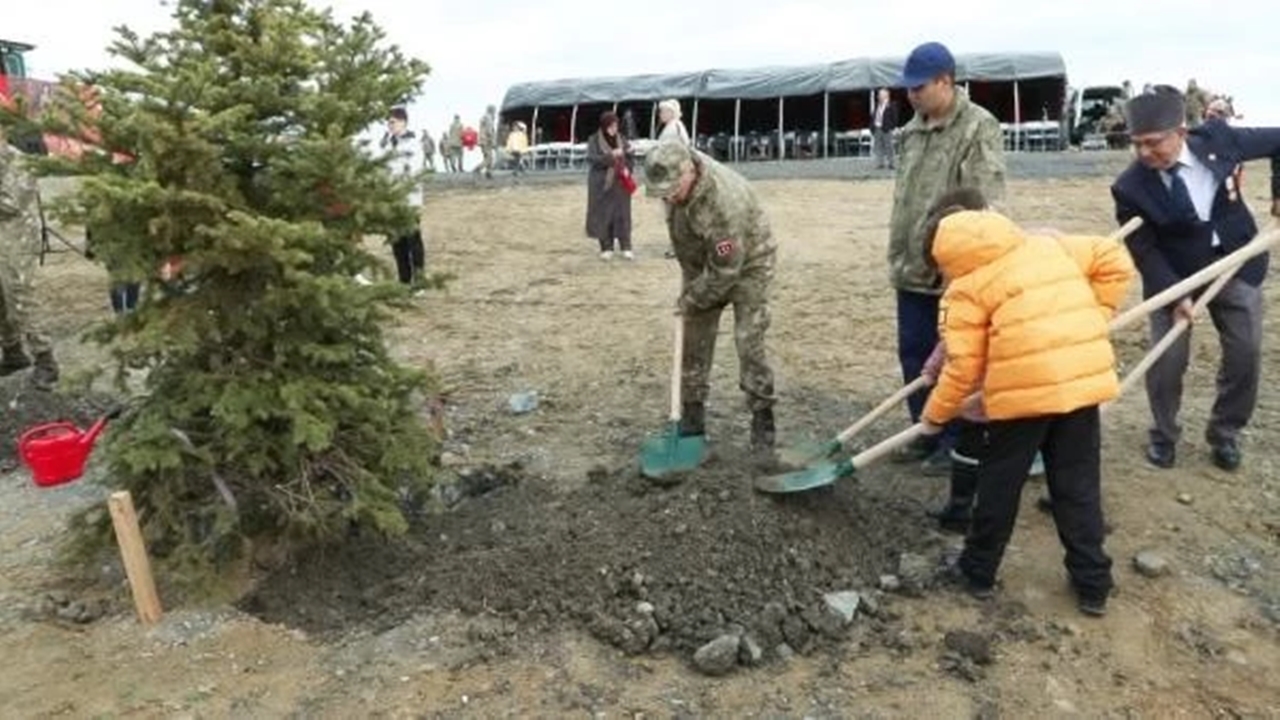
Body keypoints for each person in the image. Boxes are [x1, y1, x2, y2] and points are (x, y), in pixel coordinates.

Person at [923, 208, 1135, 617]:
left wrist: (936, 416)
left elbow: (963, 366)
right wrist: (1094, 315)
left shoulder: (966, 288)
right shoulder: (1048, 247)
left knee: (1000, 484)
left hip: (1021, 397)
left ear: (949, 258)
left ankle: (977, 570)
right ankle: (1093, 583)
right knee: (1077, 486)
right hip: (1080, 384)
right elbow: (1114, 260)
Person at [1111, 86, 1280, 471]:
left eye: (1153, 143)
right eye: (1136, 144)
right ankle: (1163, 435)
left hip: (1235, 262)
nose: (1144, 153)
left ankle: (1225, 433)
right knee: (1167, 361)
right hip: (1174, 275)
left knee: (1245, 353)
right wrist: (1175, 295)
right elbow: (1145, 250)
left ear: (1181, 133)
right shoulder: (1130, 187)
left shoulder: (1220, 138)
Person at [886, 41, 1007, 476]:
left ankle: (952, 440)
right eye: (908, 89)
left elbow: (984, 203)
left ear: (945, 81)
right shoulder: (911, 130)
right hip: (909, 267)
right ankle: (924, 432)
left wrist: (960, 263)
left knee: (956, 358)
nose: (911, 96)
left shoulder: (978, 127)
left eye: (919, 87)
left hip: (952, 273)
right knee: (914, 354)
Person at [643, 141, 777, 449]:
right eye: (662, 192)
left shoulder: (723, 202)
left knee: (749, 339)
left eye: (673, 189)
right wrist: (691, 293)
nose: (669, 197)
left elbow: (726, 269)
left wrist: (691, 299)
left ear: (689, 171)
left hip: (748, 265)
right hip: (703, 265)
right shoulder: (675, 187)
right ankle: (691, 417)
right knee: (694, 339)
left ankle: (763, 418)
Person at [0, 135, 59, 389]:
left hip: (17, 241)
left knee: (21, 298)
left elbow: (11, 203)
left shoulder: (17, 159)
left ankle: (46, 360)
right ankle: (13, 353)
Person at [380, 106, 426, 286]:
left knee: (413, 241)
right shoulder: (386, 143)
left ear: (403, 122)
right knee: (397, 243)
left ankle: (419, 281)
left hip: (408, 200)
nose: (390, 126)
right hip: (391, 199)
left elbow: (413, 172)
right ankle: (404, 280)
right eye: (388, 122)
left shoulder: (413, 143)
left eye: (393, 122)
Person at [584, 111, 635, 260]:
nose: (614, 129)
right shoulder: (594, 140)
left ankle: (626, 246)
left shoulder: (622, 139)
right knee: (604, 215)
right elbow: (592, 159)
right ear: (604, 126)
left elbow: (630, 157)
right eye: (611, 126)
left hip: (620, 184)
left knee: (622, 215)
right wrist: (611, 156)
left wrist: (627, 162)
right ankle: (606, 247)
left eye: (616, 125)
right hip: (602, 184)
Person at [872, 88, 899, 170]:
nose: (878, 96)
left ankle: (891, 163)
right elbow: (874, 115)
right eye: (879, 95)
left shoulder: (891, 105)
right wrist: (872, 126)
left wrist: (892, 127)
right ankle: (880, 163)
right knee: (878, 146)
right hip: (877, 127)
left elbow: (895, 118)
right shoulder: (877, 105)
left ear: (885, 96)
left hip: (886, 128)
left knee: (889, 147)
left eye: (880, 95)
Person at [476, 105, 496, 180]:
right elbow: (489, 131)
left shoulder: (484, 117)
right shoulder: (489, 118)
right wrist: (492, 141)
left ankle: (489, 173)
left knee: (487, 156)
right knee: (489, 158)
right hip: (487, 140)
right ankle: (478, 169)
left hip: (482, 140)